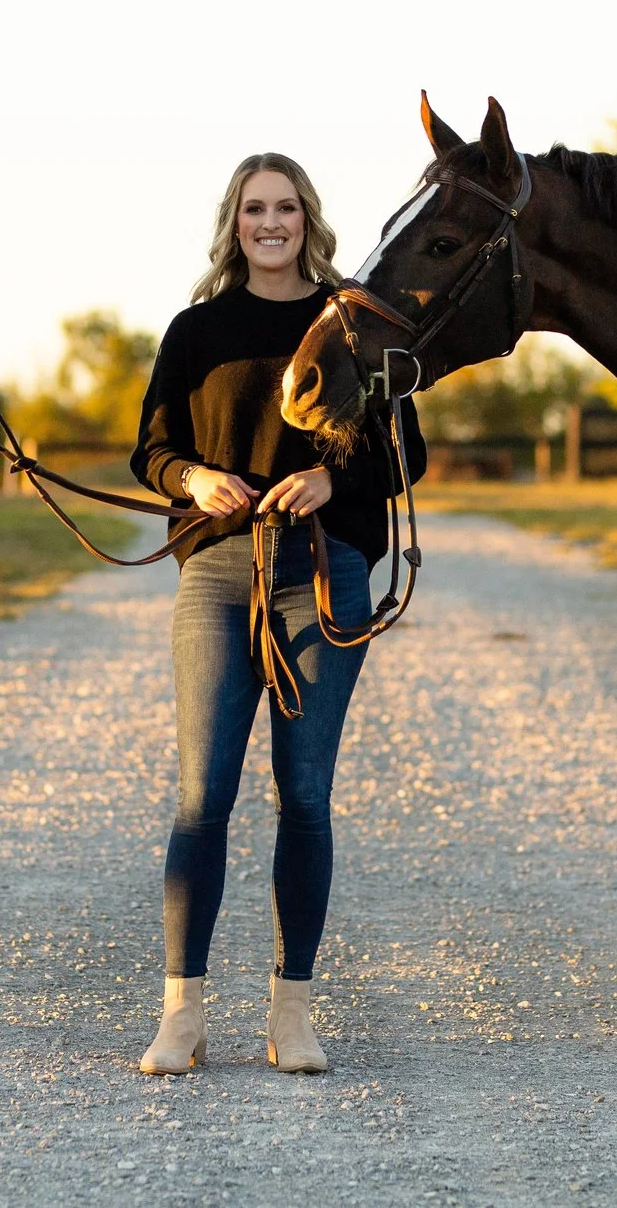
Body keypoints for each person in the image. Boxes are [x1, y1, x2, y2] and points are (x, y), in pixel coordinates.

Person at [129, 152, 426, 1075]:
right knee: (200, 797)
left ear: (308, 218)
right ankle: (182, 1014)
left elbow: (405, 451)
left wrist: (332, 474)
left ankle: (290, 1013)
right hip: (218, 575)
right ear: (235, 221)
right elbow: (150, 449)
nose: (271, 222)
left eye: (286, 207)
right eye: (256, 208)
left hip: (324, 571)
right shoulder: (195, 330)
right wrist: (195, 477)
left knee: (304, 798)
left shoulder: (351, 323)